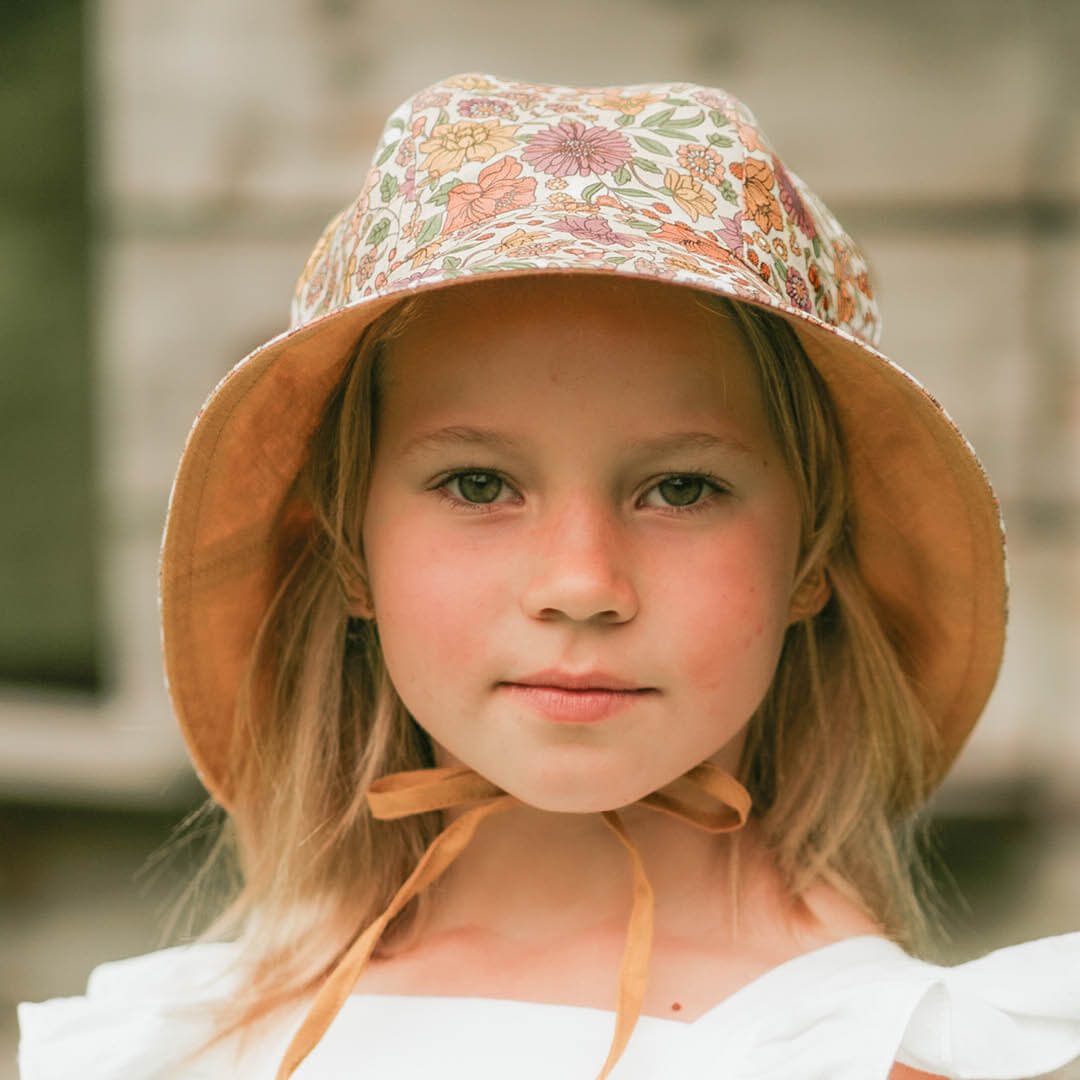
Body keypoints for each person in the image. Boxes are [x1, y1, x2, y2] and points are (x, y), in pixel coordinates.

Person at [17, 72, 1080, 1080]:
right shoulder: (180, 1045)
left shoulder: (871, 1046)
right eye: (479, 483)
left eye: (682, 489)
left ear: (811, 555)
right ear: (350, 550)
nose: (581, 582)